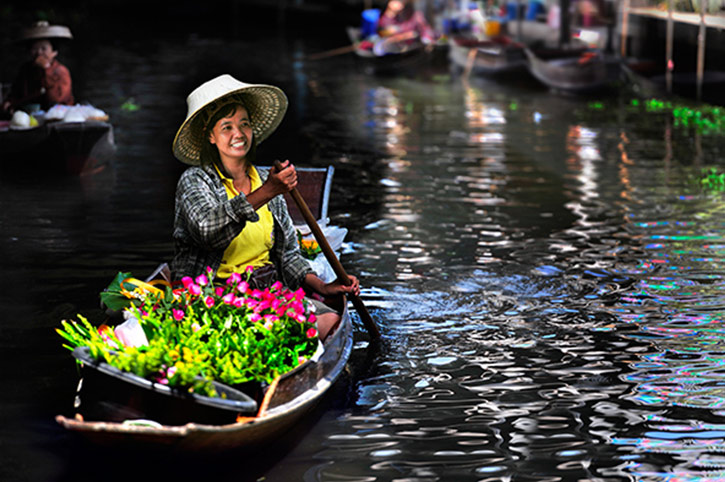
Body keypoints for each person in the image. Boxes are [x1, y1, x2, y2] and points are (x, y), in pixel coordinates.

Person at [171, 74, 360, 341]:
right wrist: (267, 191)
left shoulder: (264, 178)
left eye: (244, 124)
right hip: (214, 300)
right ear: (210, 136)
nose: (238, 134)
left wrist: (324, 286)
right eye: (226, 127)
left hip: (268, 294)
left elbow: (288, 257)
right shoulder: (195, 180)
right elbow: (207, 232)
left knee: (330, 322)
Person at [2, 21, 75, 114]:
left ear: (54, 52)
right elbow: (16, 93)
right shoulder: (25, 69)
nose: (39, 53)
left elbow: (56, 100)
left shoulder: (61, 71)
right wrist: (10, 102)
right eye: (34, 49)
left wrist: (46, 70)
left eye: (43, 49)